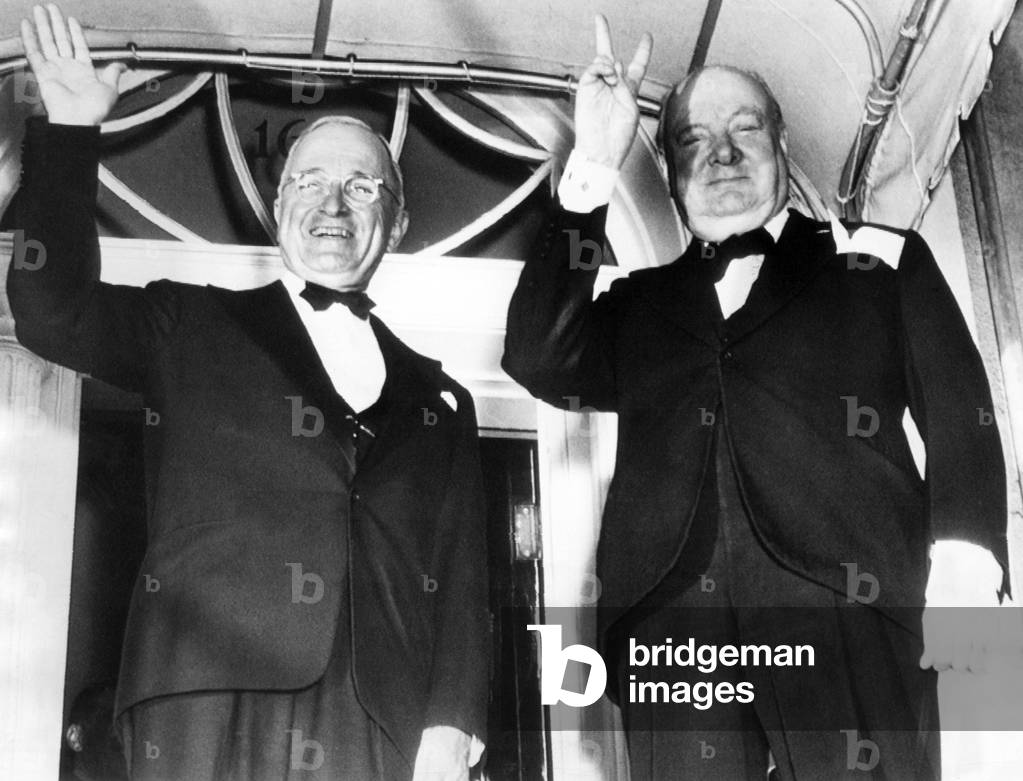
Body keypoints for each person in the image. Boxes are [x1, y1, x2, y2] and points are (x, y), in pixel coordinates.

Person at [503, 14, 1010, 780]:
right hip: (672, 627)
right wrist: (594, 166)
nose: (722, 154)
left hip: (850, 604)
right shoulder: (637, 304)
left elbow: (962, 421)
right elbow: (539, 354)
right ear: (669, 174)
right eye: (692, 141)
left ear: (779, 143)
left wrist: (966, 602)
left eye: (744, 129)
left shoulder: (879, 261)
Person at [9, 5, 489, 780]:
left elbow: (463, 580)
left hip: (376, 716)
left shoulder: (444, 401)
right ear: (277, 209)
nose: (332, 204)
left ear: (394, 225)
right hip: (202, 698)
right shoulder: (189, 322)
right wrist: (68, 132)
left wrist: (453, 720)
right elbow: (50, 310)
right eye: (308, 181)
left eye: (361, 186)